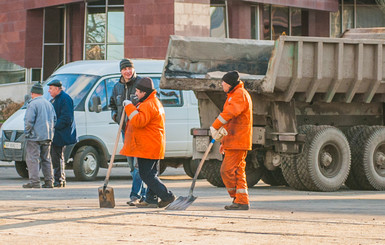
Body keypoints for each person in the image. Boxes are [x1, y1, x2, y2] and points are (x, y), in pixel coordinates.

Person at [120, 77, 175, 208]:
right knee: (152, 174)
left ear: (144, 93)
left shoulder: (147, 104)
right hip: (154, 144)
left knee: (146, 174)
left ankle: (167, 196)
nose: (136, 94)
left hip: (148, 146)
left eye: (138, 91)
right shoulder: (154, 102)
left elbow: (139, 121)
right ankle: (151, 199)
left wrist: (128, 106)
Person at [210, 71, 253, 210]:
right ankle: (241, 200)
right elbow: (230, 122)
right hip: (235, 140)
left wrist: (215, 126)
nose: (222, 84)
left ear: (229, 83)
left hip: (238, 140)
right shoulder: (235, 95)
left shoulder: (239, 95)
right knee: (238, 171)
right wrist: (224, 142)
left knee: (226, 171)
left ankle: (237, 198)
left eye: (224, 82)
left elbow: (229, 114)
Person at [109, 58, 146, 205]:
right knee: (131, 165)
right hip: (125, 130)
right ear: (121, 71)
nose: (127, 71)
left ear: (133, 69)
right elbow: (112, 104)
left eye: (129, 68)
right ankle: (143, 193)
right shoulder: (117, 87)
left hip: (139, 130)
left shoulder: (141, 83)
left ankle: (135, 195)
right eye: (124, 69)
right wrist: (115, 116)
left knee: (138, 164)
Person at [23, 82, 56, 188]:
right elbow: (54, 119)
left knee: (33, 159)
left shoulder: (32, 104)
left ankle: (35, 182)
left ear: (32, 93)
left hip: (35, 136)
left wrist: (27, 133)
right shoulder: (49, 104)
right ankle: (49, 181)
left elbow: (29, 121)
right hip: (47, 135)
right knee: (46, 159)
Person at [48, 79, 77, 187]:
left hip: (62, 133)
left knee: (58, 156)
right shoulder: (56, 99)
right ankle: (59, 178)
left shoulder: (65, 99)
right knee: (56, 156)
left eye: (51, 88)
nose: (49, 91)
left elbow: (66, 118)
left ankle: (59, 179)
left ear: (57, 89)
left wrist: (53, 126)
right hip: (58, 133)